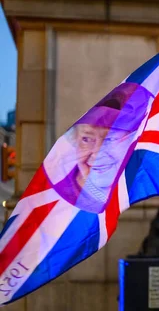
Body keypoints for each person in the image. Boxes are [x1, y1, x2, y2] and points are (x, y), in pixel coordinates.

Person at [44, 82, 151, 213]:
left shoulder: (133, 189)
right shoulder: (55, 205)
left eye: (109, 139)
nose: (96, 153)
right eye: (86, 139)